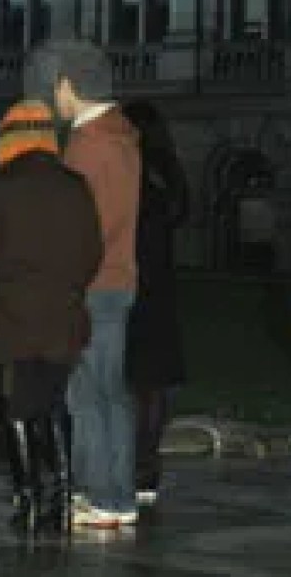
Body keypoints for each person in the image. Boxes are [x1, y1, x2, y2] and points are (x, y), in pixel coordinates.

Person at [0, 100, 103, 534]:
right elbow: (93, 251)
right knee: (52, 400)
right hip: (63, 310)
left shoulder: (3, 185)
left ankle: (28, 495)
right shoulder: (75, 185)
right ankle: (62, 496)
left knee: (16, 404)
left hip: (15, 310)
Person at [40, 39, 142, 530]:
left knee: (87, 394)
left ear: (69, 85)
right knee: (111, 391)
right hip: (118, 278)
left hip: (89, 284)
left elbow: (74, 225)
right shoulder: (122, 138)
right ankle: (118, 493)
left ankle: (103, 495)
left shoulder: (87, 145)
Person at [122, 100, 188, 506]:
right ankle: (147, 464)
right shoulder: (168, 174)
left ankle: (138, 463)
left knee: (137, 380)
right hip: (160, 285)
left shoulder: (135, 175)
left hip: (135, 283)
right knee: (155, 383)